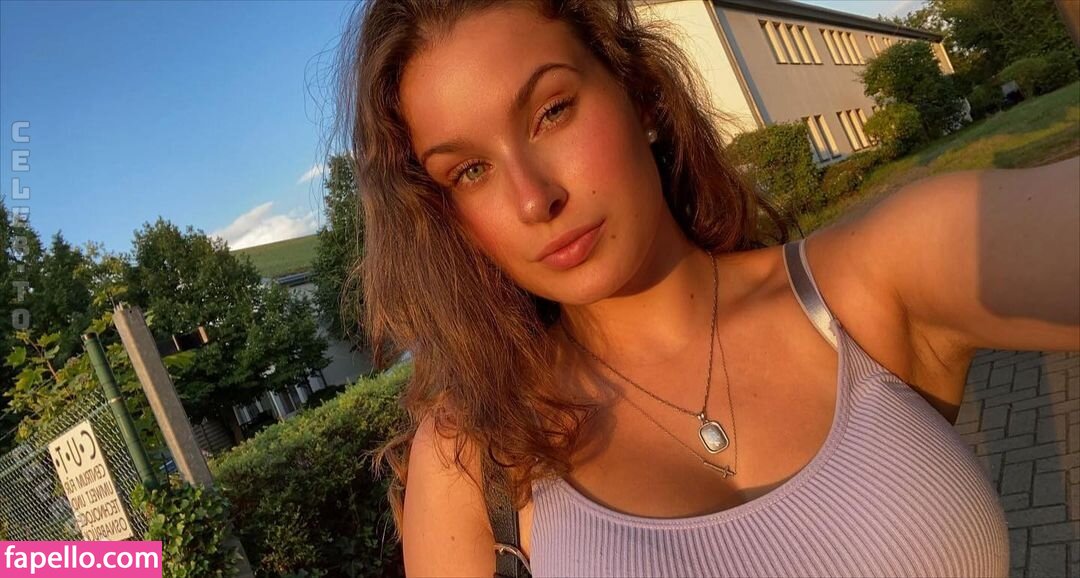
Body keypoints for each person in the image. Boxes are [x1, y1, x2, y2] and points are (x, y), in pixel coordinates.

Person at [335, 1, 1080, 576]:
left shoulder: (872, 283)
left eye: (552, 111)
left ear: (640, 96)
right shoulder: (475, 459)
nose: (534, 199)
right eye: (470, 171)